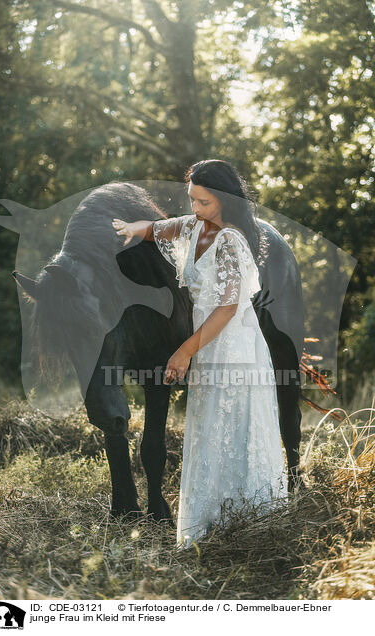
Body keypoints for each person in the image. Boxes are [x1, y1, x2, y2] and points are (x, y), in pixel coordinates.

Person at [112, 159, 288, 549]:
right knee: (209, 426)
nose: (195, 208)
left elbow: (226, 307)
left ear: (224, 200)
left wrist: (184, 351)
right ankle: (208, 525)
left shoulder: (230, 241)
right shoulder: (193, 226)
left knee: (234, 425)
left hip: (232, 343)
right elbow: (155, 229)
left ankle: (251, 519)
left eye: (204, 202)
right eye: (192, 199)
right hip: (208, 341)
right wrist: (129, 229)